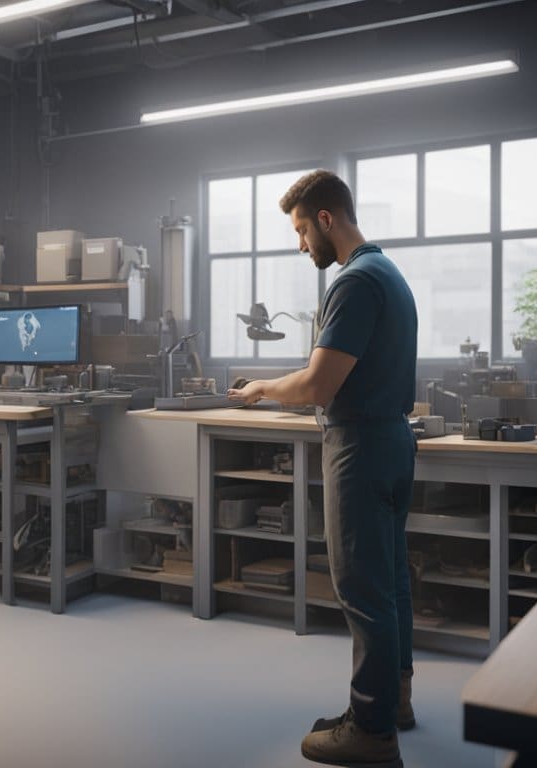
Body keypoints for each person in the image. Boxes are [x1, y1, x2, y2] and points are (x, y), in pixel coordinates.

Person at [227, 170, 418, 767]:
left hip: (359, 447)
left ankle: (370, 728)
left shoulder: (355, 281)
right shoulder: (388, 272)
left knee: (361, 588)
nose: (301, 244)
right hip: (390, 440)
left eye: (302, 230)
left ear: (327, 219)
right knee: (389, 583)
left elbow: (317, 384)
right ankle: (393, 703)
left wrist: (261, 386)